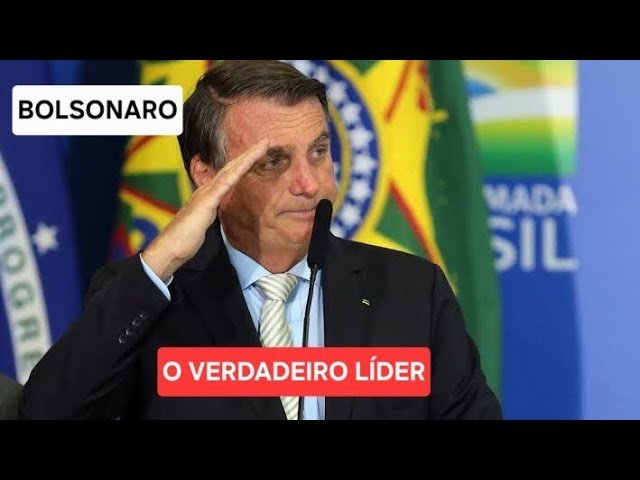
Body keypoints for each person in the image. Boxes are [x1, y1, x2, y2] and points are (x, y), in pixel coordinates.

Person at [19, 60, 502, 420]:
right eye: (273, 162)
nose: (310, 184)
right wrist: (162, 259)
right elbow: (46, 411)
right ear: (208, 177)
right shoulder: (148, 300)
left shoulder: (413, 293)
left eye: (319, 152)